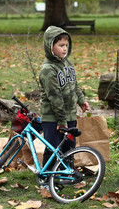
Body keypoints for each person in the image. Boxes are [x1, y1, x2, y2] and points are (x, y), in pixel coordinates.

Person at [39, 26, 89, 169]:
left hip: (70, 115)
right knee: (53, 148)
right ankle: (47, 179)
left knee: (69, 147)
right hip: (53, 118)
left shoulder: (68, 63)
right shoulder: (48, 70)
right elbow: (55, 98)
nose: (65, 48)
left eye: (66, 45)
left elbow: (74, 84)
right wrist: (61, 121)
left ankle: (66, 174)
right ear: (50, 46)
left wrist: (81, 100)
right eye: (61, 45)